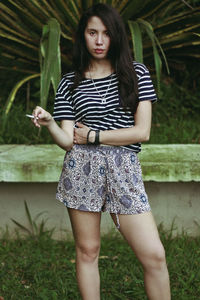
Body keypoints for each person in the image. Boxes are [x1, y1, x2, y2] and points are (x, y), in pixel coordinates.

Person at [32, 3, 171, 300]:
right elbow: (69, 140)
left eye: (106, 33)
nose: (99, 41)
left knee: (154, 255)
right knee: (87, 250)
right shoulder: (70, 82)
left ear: (116, 36)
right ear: (83, 36)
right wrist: (50, 123)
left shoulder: (137, 73)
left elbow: (141, 132)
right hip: (81, 169)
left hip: (124, 169)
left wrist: (95, 136)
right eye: (92, 32)